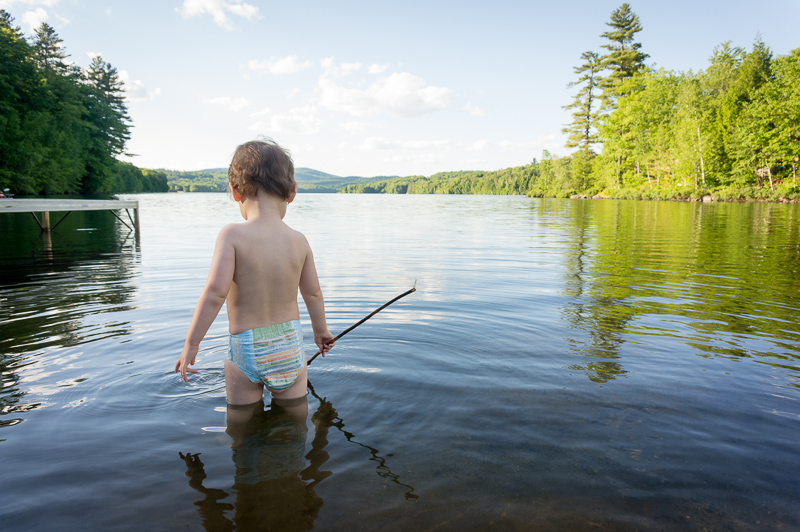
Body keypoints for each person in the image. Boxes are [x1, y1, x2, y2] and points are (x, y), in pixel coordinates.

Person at [175, 139, 335, 404]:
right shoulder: (299, 240)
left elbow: (215, 294)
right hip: (290, 347)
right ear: (292, 192)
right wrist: (321, 331)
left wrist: (192, 343)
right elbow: (314, 294)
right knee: (296, 415)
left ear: (236, 191)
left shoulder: (232, 235)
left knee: (241, 422)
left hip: (248, 349)